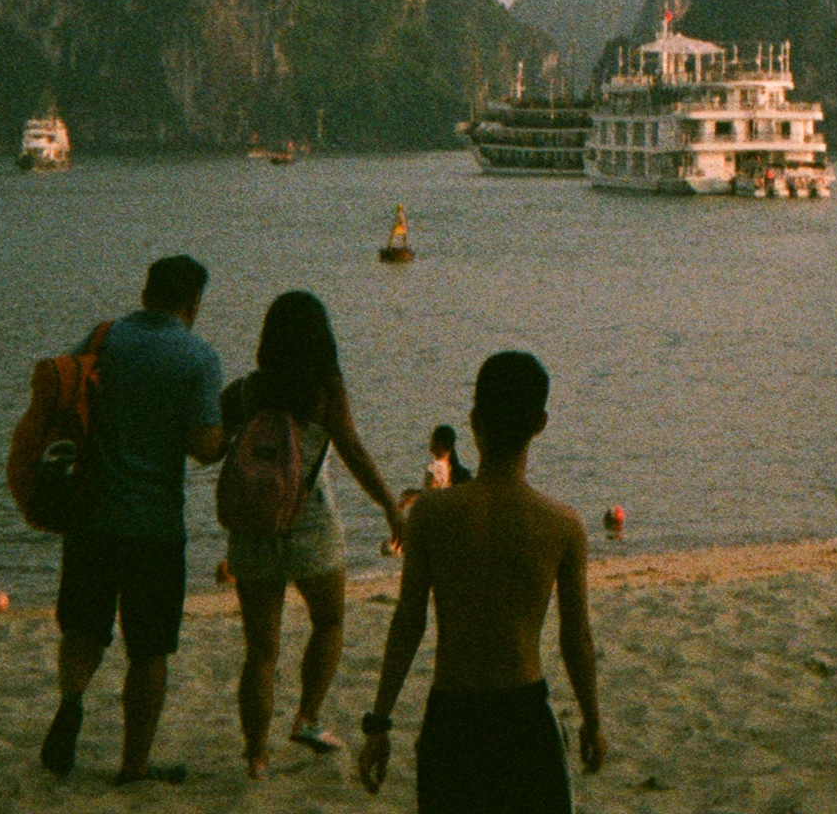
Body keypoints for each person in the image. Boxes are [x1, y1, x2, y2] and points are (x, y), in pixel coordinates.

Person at [355, 351, 604, 809]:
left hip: (453, 718)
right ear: (541, 424)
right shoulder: (562, 525)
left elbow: (408, 624)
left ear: (473, 420)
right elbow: (576, 638)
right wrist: (592, 720)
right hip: (524, 717)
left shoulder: (431, 515)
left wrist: (380, 721)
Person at [42, 255, 228, 784]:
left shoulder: (103, 339)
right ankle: (134, 764)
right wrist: (228, 435)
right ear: (194, 302)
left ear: (145, 292)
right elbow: (203, 445)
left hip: (91, 516)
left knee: (84, 627)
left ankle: (72, 700)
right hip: (154, 526)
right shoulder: (199, 357)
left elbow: (68, 402)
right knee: (149, 650)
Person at [222, 289, 406, 774]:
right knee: (329, 622)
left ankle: (256, 757)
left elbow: (207, 444)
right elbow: (353, 450)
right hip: (311, 523)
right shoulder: (325, 391)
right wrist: (390, 505)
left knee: (260, 650)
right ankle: (306, 716)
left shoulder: (245, 391)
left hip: (253, 527)